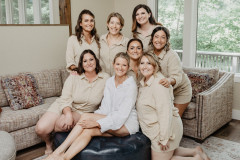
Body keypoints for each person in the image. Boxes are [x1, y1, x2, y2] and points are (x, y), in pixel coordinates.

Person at [45, 52, 139, 160]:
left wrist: (96, 123)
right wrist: (93, 119)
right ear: (113, 64)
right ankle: (64, 157)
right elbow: (105, 107)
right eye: (118, 64)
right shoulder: (109, 82)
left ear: (128, 67)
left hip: (125, 124)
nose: (120, 68)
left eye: (124, 65)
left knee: (86, 117)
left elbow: (121, 116)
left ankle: (56, 153)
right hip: (110, 118)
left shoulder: (131, 86)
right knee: (87, 128)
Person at [137, 53, 210, 160]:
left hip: (165, 130)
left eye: (149, 63)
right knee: (167, 153)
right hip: (154, 130)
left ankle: (196, 159)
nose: (145, 66)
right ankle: (195, 151)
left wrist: (164, 138)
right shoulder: (144, 82)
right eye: (142, 63)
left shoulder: (158, 84)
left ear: (155, 66)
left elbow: (165, 113)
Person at [35, 49, 109, 155]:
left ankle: (54, 133)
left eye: (91, 59)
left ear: (96, 61)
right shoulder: (74, 76)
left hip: (81, 111)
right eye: (85, 61)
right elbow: (65, 98)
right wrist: (68, 114)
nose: (89, 63)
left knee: (62, 123)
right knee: (40, 129)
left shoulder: (105, 78)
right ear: (81, 64)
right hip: (64, 104)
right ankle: (49, 142)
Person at [149, 26, 192, 117]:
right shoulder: (149, 54)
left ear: (167, 40)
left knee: (173, 119)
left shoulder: (172, 55)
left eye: (163, 37)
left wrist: (169, 80)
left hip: (180, 91)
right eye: (156, 36)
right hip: (165, 92)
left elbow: (177, 76)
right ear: (152, 38)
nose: (159, 40)